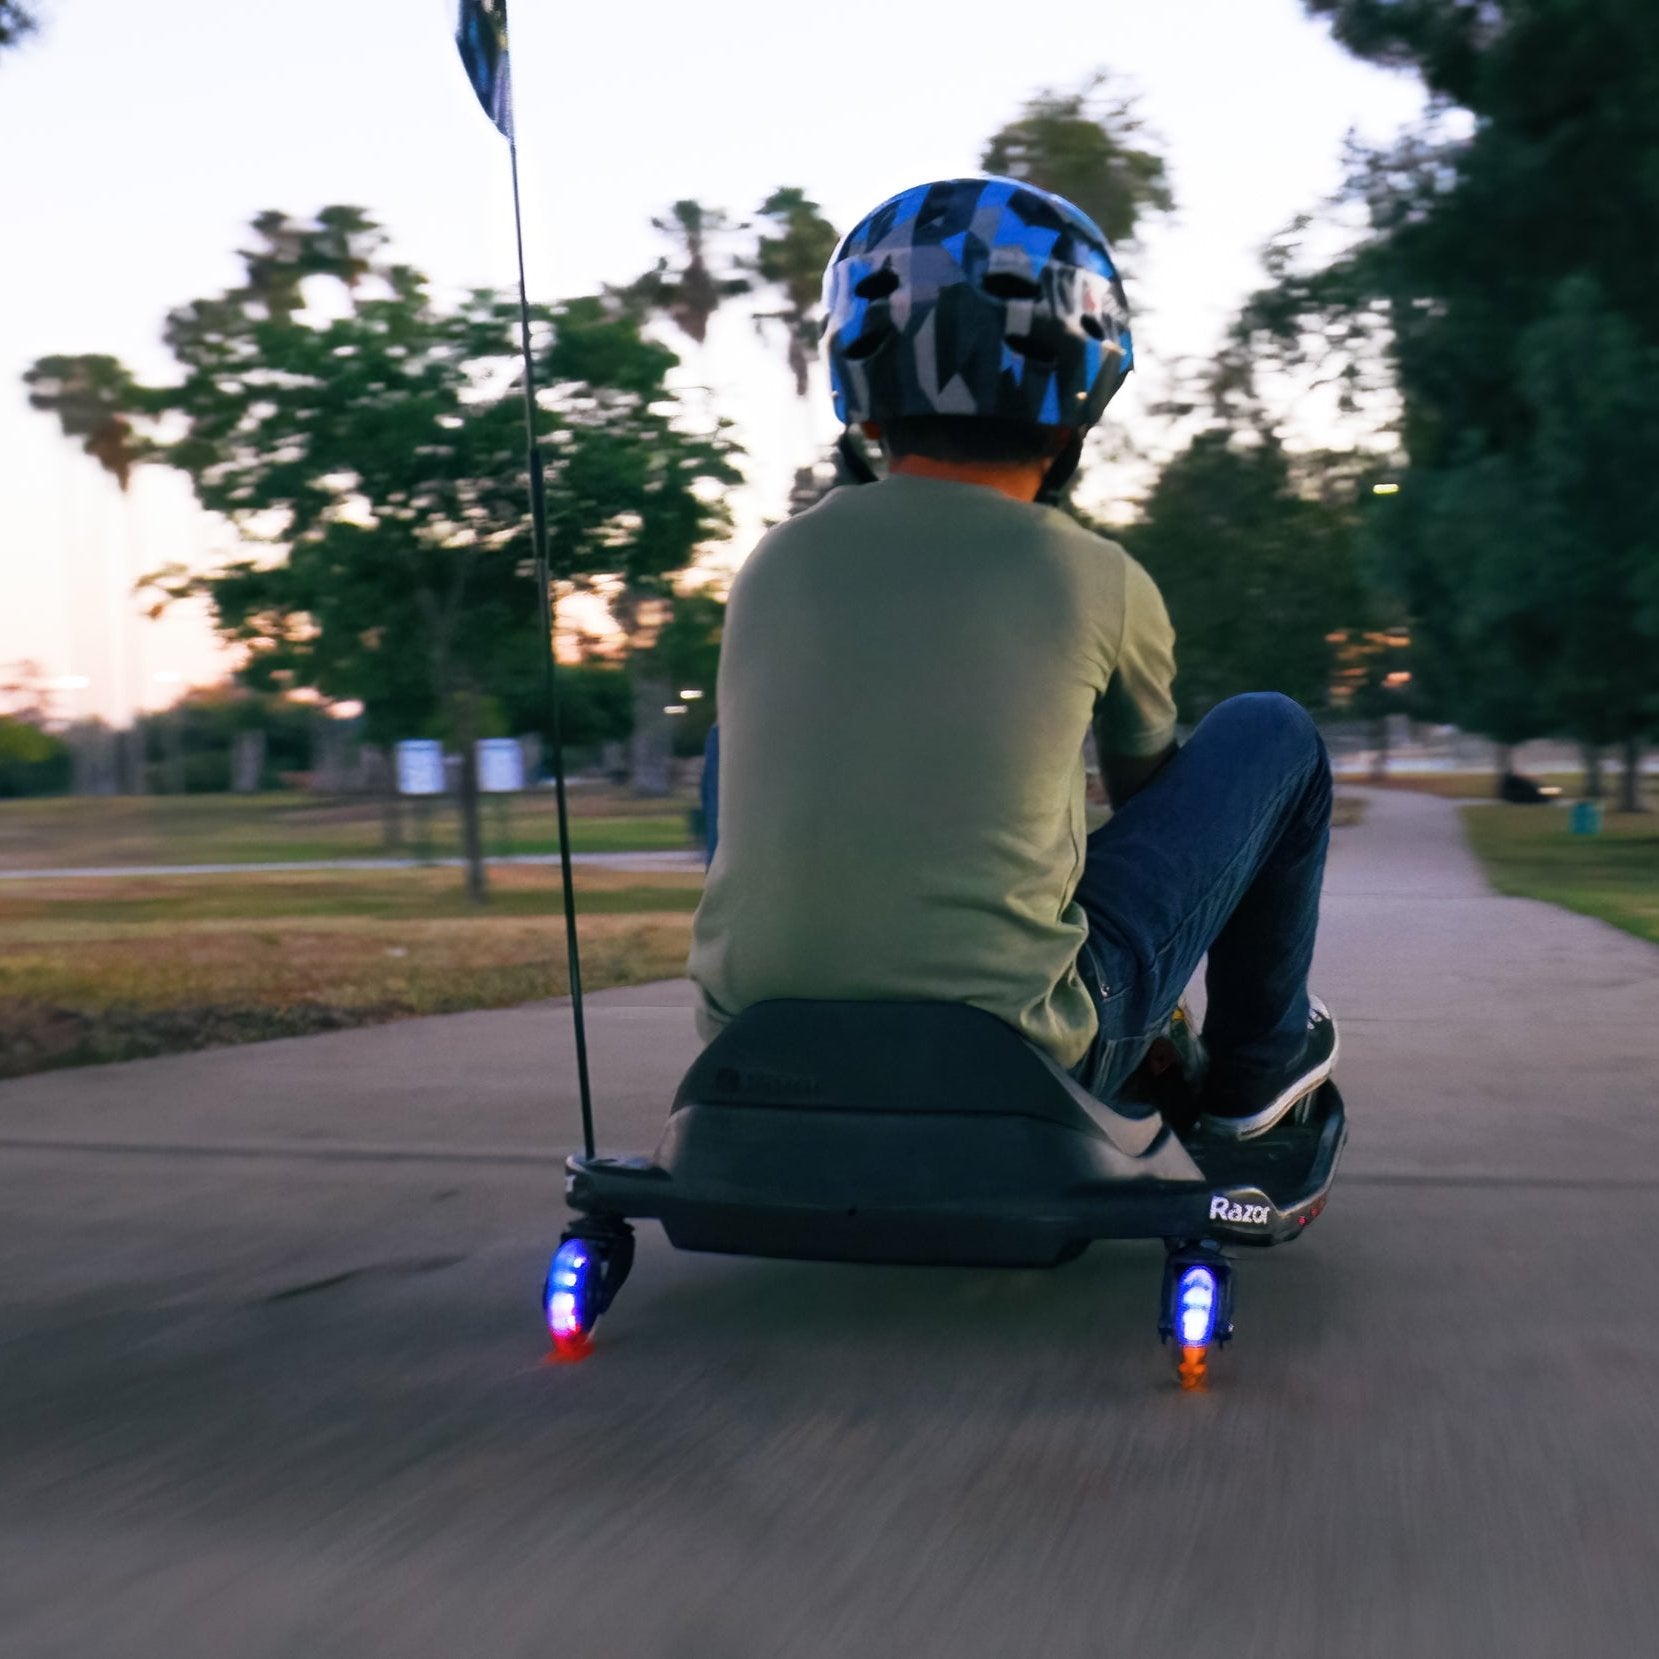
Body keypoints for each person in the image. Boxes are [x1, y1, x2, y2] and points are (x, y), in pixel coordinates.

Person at [689, 176, 1336, 1141]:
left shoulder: (770, 564)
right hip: (1020, 1039)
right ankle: (1256, 1068)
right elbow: (1151, 814)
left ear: (861, 391)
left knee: (724, 748)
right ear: (1081, 392)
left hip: (750, 1035)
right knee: (1269, 730)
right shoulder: (1093, 576)